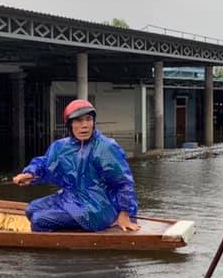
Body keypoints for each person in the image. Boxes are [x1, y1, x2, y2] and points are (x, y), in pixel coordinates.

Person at [13, 99, 140, 232]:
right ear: (70, 124)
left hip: (97, 207)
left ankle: (58, 249)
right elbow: (45, 164)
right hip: (71, 197)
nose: (84, 125)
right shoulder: (61, 146)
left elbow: (124, 183)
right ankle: (72, 231)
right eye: (78, 120)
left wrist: (125, 214)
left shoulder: (105, 147)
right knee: (30, 209)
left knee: (39, 220)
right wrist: (30, 174)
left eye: (88, 119)